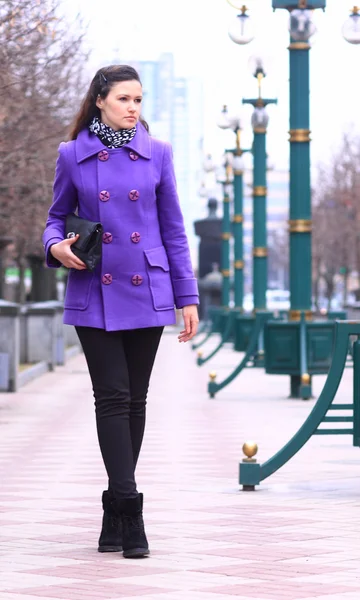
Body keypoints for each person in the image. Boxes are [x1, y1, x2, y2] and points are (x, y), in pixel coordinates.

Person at [42, 65, 199, 559]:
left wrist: (187, 296)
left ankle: (113, 508)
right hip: (95, 289)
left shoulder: (158, 154)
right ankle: (130, 509)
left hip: (147, 288)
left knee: (135, 400)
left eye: (139, 99)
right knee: (111, 396)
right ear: (100, 101)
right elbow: (53, 219)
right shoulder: (73, 155)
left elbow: (174, 229)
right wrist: (55, 248)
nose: (134, 108)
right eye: (125, 99)